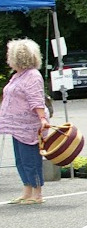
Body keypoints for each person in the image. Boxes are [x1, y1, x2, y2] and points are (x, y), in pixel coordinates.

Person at [1, 39, 51, 204]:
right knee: (20, 160)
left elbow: (36, 100)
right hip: (17, 127)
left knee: (30, 160)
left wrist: (42, 119)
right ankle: (27, 191)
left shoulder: (32, 76)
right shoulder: (18, 76)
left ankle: (37, 194)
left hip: (29, 126)